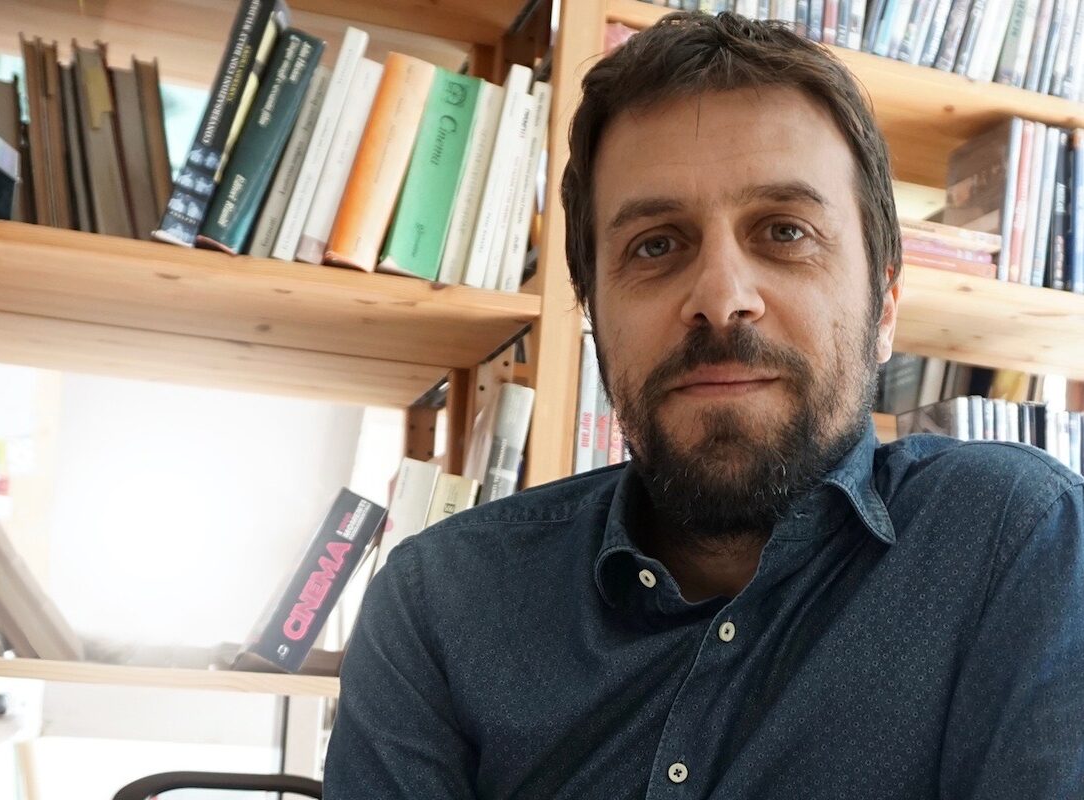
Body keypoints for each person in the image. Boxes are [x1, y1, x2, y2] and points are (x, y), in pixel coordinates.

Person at [324, 12, 1084, 799]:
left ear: (883, 305)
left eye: (784, 232)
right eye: (655, 244)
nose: (720, 299)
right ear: (592, 309)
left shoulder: (1016, 542)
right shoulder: (438, 605)